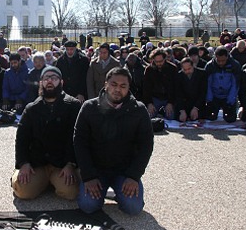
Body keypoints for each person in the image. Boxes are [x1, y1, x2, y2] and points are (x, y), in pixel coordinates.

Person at [74, 66, 154, 215]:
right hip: (96, 170)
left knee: (133, 208)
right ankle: (105, 190)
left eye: (123, 86)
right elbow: (80, 142)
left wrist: (133, 176)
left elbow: (146, 145)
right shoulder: (89, 107)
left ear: (129, 87)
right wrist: (89, 176)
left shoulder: (139, 110)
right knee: (88, 206)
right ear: (106, 84)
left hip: (124, 171)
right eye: (114, 84)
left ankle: (118, 191)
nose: (118, 89)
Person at [12, 66, 82, 200]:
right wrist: (23, 163)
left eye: (54, 78)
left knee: (71, 192)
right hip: (37, 163)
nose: (50, 81)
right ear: (41, 83)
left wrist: (70, 164)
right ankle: (32, 179)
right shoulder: (31, 108)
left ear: (61, 83)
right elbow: (21, 139)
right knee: (23, 191)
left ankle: (51, 182)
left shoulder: (73, 106)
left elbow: (76, 138)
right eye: (46, 78)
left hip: (61, 164)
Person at [204, 46, 241, 122]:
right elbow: (208, 85)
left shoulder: (235, 65)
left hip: (228, 96)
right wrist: (209, 100)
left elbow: (235, 85)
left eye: (223, 60)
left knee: (230, 119)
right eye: (218, 60)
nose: (221, 63)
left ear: (227, 57)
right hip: (214, 96)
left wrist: (230, 101)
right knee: (210, 118)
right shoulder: (210, 66)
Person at [143, 48, 177, 119]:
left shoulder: (172, 68)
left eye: (161, 61)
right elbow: (146, 88)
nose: (159, 63)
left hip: (168, 98)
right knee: (149, 117)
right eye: (156, 61)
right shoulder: (149, 70)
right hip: (155, 98)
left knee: (171, 117)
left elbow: (175, 87)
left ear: (165, 59)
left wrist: (170, 102)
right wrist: (149, 103)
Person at [175, 57, 207, 122]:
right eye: (185, 70)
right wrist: (182, 110)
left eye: (189, 69)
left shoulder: (202, 74)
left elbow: (203, 93)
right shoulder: (179, 76)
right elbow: (178, 94)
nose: (187, 71)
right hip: (185, 104)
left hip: (198, 103)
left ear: (193, 66)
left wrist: (196, 108)